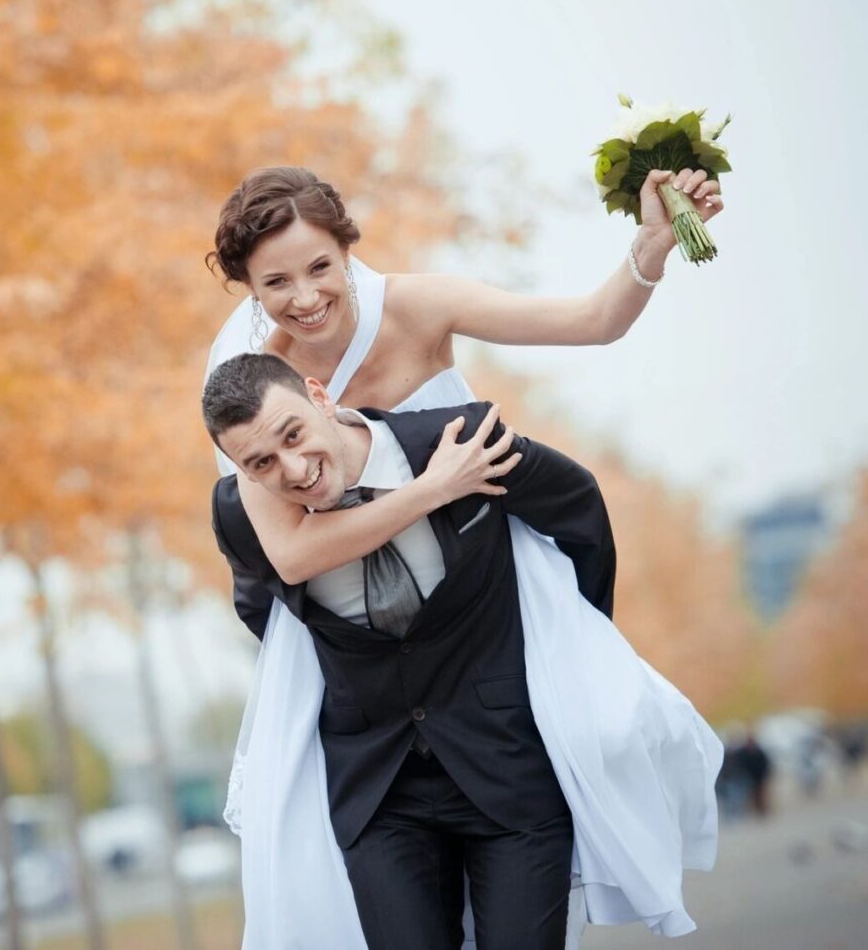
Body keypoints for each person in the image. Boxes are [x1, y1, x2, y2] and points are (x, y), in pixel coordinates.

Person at [205, 166, 724, 947]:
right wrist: (426, 493)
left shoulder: (420, 305)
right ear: (248, 290)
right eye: (275, 282)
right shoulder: (261, 395)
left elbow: (591, 321)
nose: (304, 297)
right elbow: (283, 553)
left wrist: (650, 244)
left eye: (319, 267)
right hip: (361, 612)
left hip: (483, 556)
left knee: (597, 731)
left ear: (348, 249)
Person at [206, 353, 614, 948]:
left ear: (320, 396)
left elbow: (579, 510)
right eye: (261, 463)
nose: (294, 469)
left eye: (293, 434)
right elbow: (265, 616)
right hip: (377, 791)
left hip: (509, 765)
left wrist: (578, 652)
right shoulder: (242, 519)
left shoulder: (460, 443)